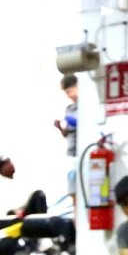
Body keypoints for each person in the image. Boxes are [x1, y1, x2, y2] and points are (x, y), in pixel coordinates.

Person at [54, 73, 79, 212]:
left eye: (69, 91)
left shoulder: (88, 106)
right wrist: (60, 127)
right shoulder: (69, 109)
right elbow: (67, 134)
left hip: (83, 152)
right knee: (73, 190)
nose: (68, 95)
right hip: (72, 153)